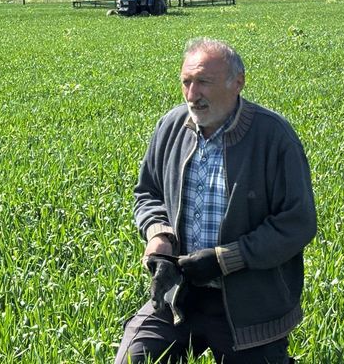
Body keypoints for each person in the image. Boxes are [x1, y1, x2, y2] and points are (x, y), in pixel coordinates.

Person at [115, 38, 317, 364]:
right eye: (186, 82)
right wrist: (159, 237)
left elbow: (297, 223)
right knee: (133, 359)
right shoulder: (171, 127)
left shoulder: (273, 137)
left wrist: (225, 259)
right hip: (179, 294)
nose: (193, 95)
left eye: (204, 83)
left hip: (250, 307)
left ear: (238, 83)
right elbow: (148, 193)